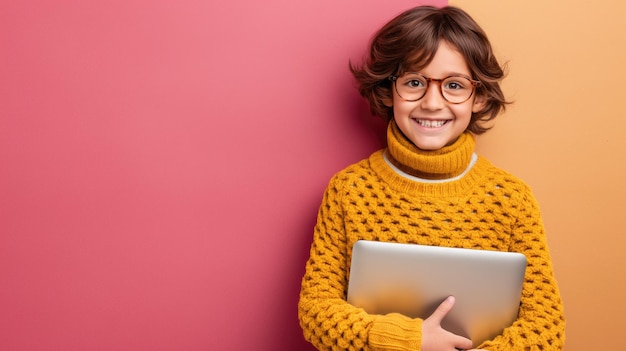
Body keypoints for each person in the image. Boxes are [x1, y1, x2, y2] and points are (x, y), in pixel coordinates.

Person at [298, 5, 566, 351]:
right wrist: (409, 340)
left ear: (479, 96)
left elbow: (545, 326)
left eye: (453, 85)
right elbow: (316, 311)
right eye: (414, 82)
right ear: (388, 90)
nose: (432, 102)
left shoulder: (511, 198)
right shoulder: (349, 190)